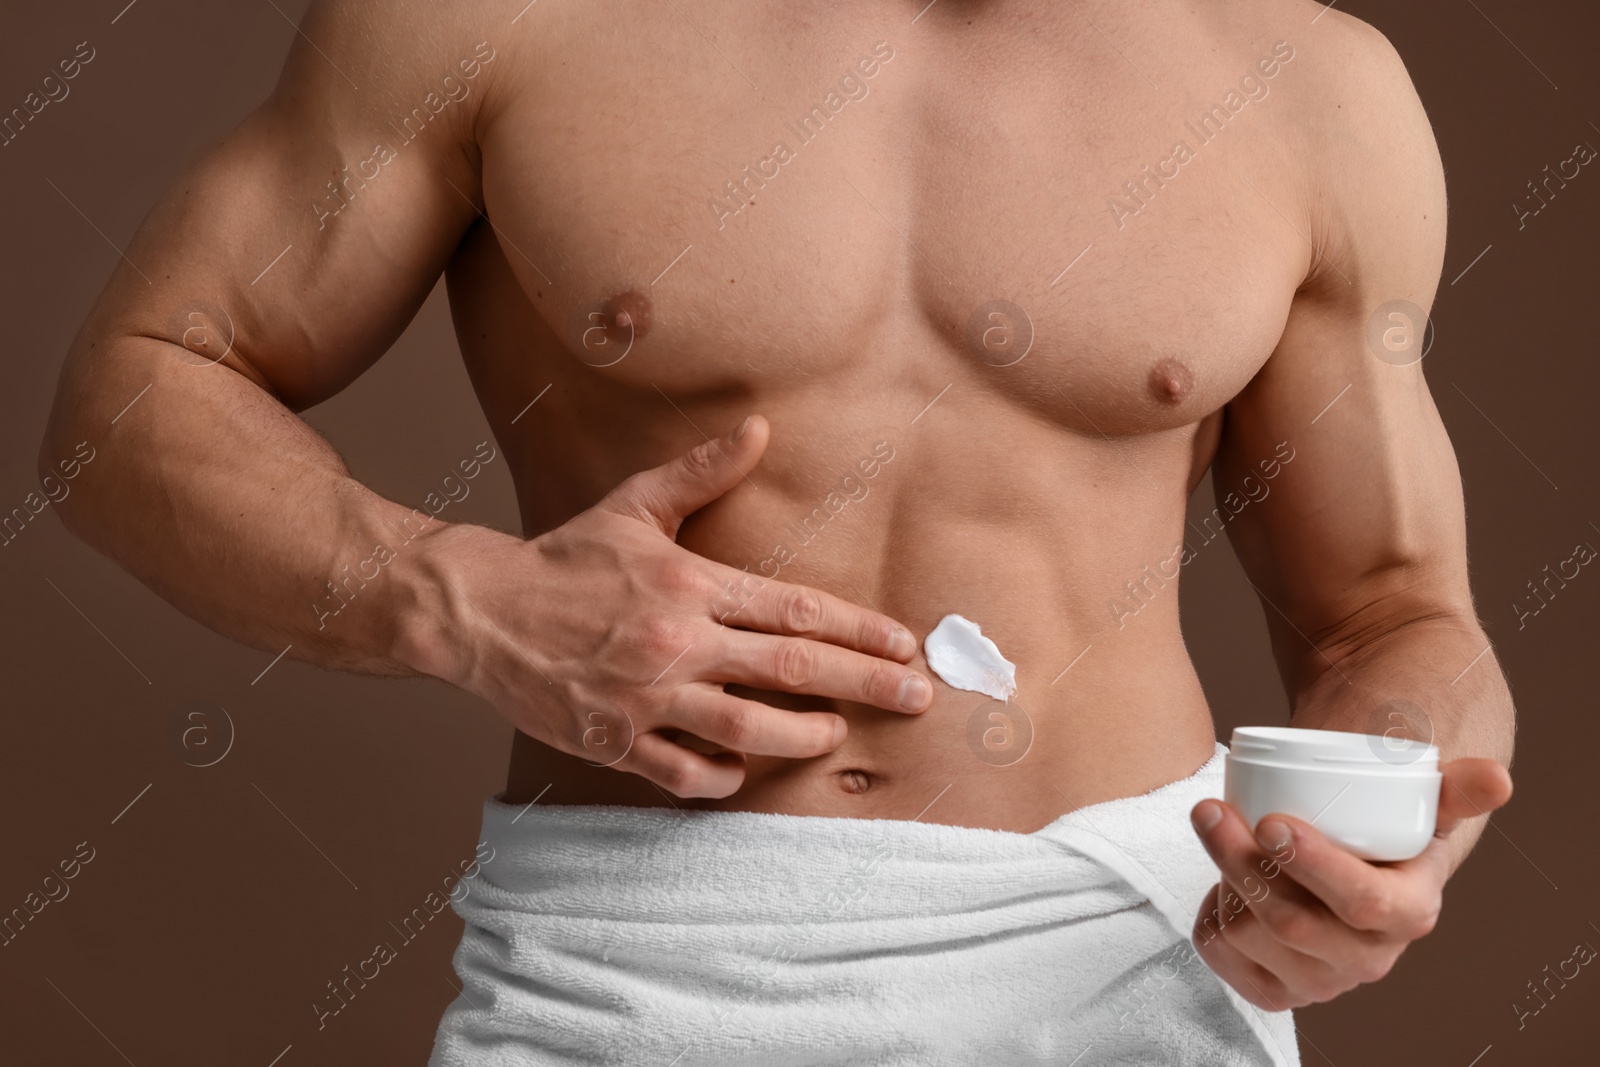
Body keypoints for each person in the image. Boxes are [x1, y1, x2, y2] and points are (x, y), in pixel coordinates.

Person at [39, 0, 1514, 1063]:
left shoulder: (1306, 85)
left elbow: (1393, 610)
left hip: (1130, 960)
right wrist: (461, 595)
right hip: (631, 976)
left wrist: (1390, 849)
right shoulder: (492, 19)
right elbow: (127, 396)